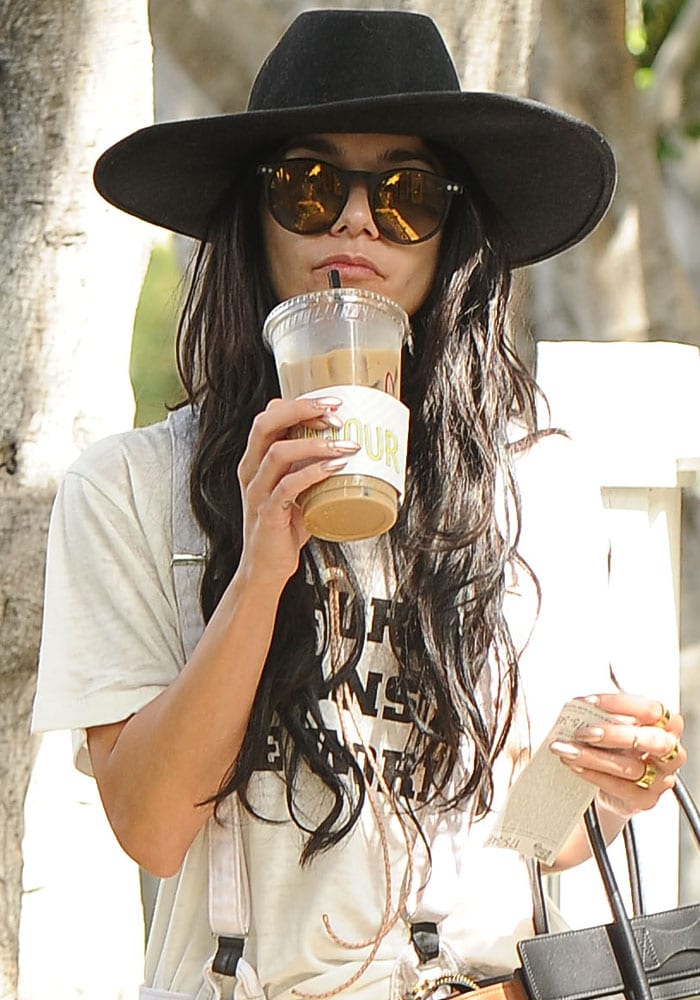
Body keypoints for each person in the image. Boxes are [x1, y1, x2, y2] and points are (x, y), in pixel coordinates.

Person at [32, 9, 686, 1000]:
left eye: (404, 192)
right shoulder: (130, 485)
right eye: (307, 185)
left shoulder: (531, 480)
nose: (354, 221)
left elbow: (530, 841)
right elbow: (154, 829)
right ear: (253, 218)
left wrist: (611, 779)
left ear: (447, 235)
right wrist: (258, 569)